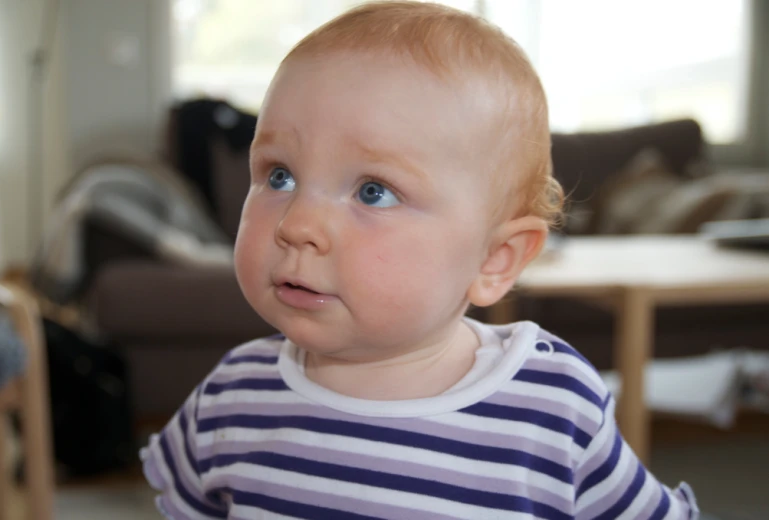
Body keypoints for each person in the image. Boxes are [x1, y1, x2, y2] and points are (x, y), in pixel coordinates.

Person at [141, 2, 699, 518]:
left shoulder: (551, 409)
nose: (297, 225)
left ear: (495, 260)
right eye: (279, 176)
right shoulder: (231, 396)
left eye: (373, 191)